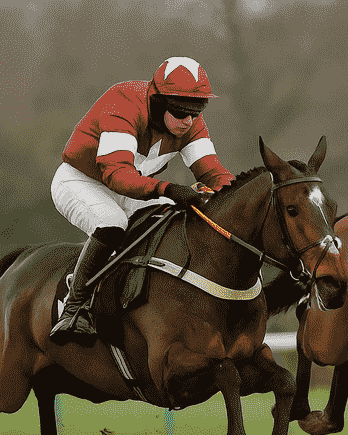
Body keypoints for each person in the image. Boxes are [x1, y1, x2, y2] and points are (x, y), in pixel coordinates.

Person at [49, 56, 235, 345]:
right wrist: (169, 188)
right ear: (158, 102)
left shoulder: (190, 124)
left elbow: (213, 173)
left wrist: (245, 192)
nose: (188, 121)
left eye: (196, 112)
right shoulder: (123, 103)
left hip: (132, 190)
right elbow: (117, 175)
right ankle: (74, 306)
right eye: (180, 112)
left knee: (174, 220)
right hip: (81, 180)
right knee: (112, 223)